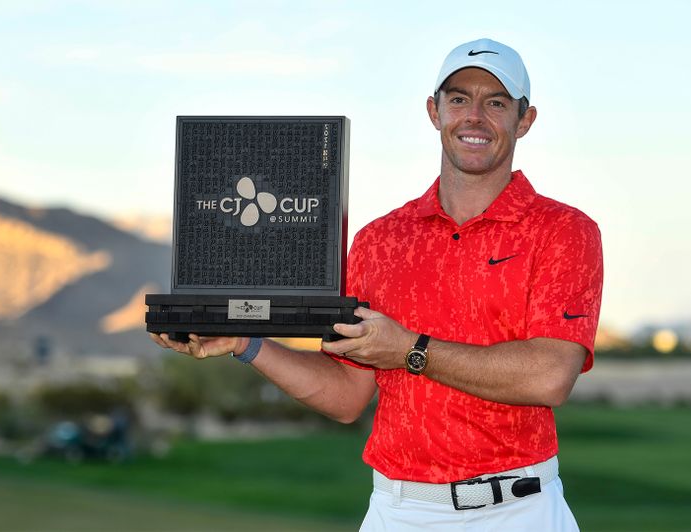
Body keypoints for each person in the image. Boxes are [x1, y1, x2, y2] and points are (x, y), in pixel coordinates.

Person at [152, 37, 603, 531]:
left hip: (517, 510)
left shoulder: (563, 231)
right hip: (397, 510)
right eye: (458, 99)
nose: (474, 116)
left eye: (495, 102)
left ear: (525, 120)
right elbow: (348, 394)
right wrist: (246, 342)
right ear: (434, 112)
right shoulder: (380, 241)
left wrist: (410, 349)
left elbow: (549, 377)